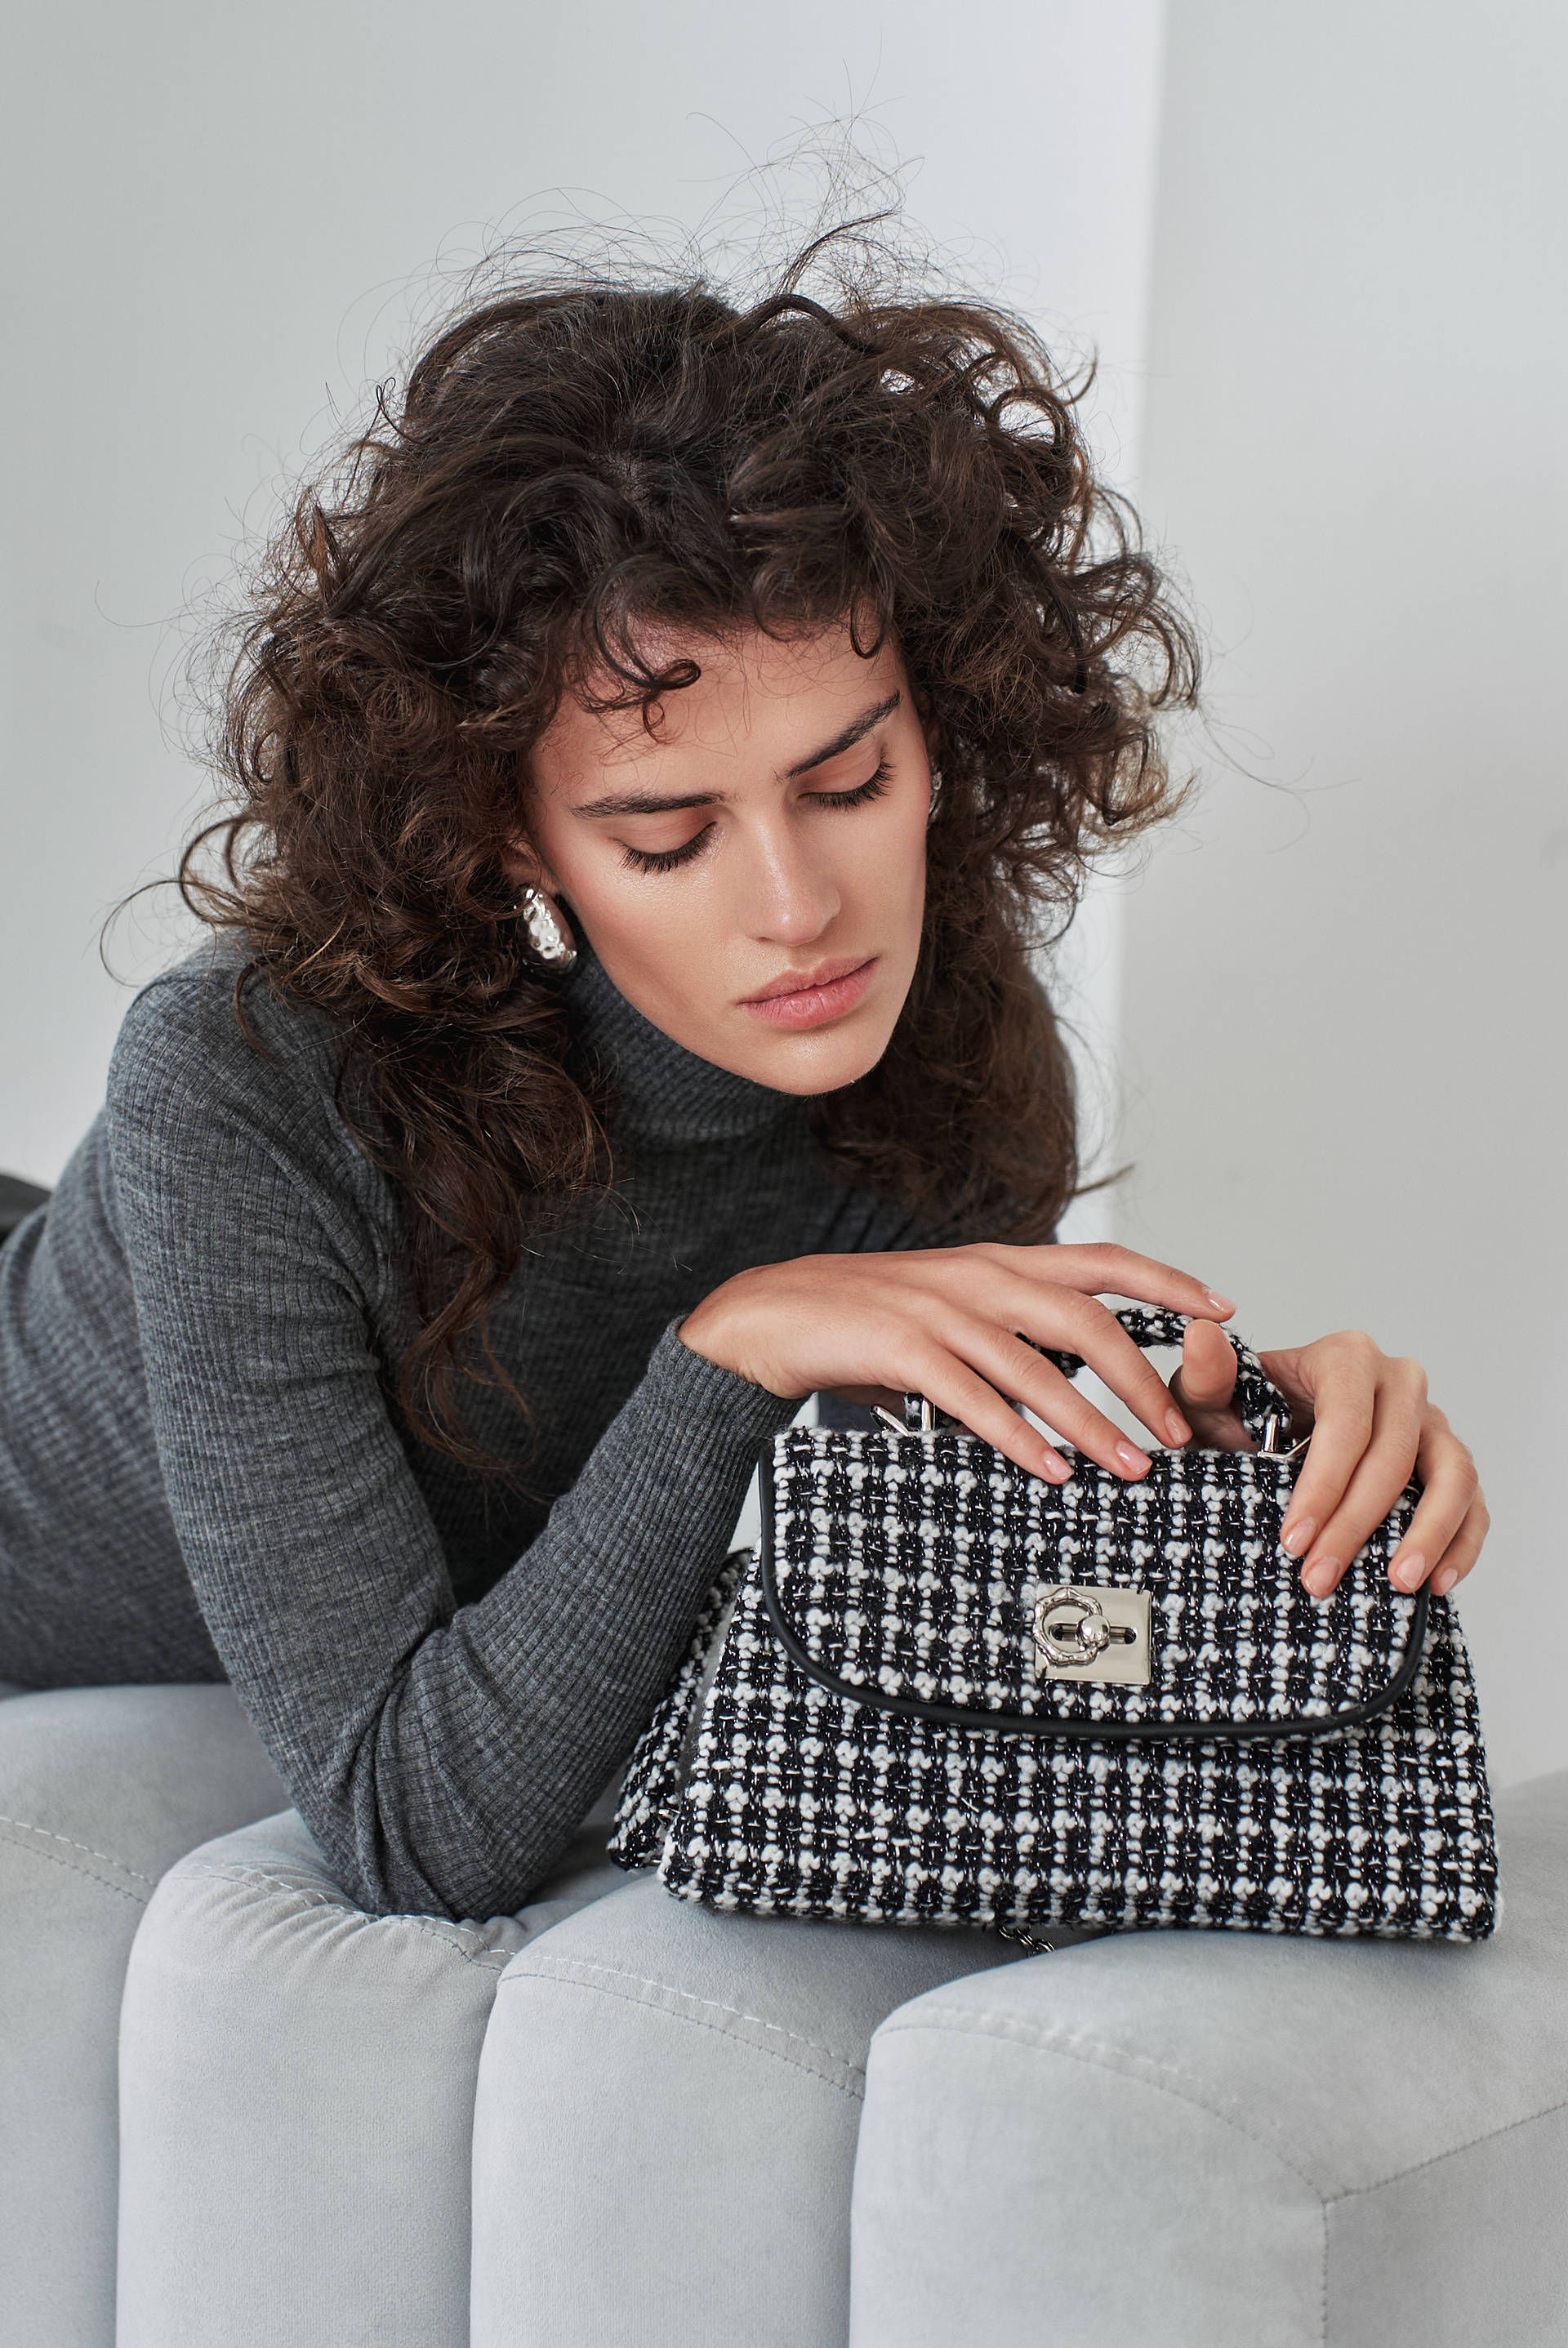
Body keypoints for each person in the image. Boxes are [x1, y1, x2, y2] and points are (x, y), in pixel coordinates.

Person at [0, 253, 1486, 1922]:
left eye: (848, 781)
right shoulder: (249, 1079)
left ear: (943, 731)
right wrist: (729, 1355)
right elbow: (415, 1831)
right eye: (667, 835)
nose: (797, 910)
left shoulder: (959, 1060)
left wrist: (1227, 1454)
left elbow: (936, 1650)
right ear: (510, 835)